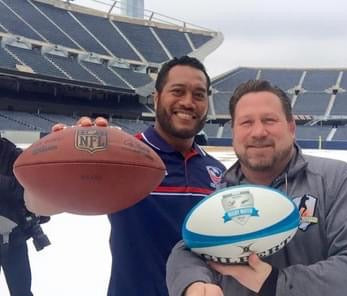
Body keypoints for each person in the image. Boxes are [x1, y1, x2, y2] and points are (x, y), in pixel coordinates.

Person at [166, 80, 347, 296]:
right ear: (233, 131)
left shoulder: (336, 181)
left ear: (291, 127)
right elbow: (188, 250)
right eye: (246, 123)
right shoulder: (221, 192)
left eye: (269, 120)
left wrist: (276, 283)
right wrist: (194, 283)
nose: (258, 132)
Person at [53, 56, 225, 295]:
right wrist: (55, 168)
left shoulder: (218, 172)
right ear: (156, 98)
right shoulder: (122, 157)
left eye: (198, 95)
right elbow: (44, 204)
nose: (188, 102)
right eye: (177, 91)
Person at [0, 136, 51, 296]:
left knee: (21, 291)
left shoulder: (13, 154)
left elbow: (28, 192)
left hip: (14, 238)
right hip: (13, 235)